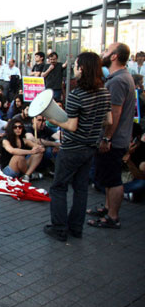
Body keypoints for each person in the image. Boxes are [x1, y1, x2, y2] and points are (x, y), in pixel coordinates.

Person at [41, 52, 112, 241]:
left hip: (72, 148)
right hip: (90, 147)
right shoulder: (105, 92)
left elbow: (71, 126)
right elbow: (109, 120)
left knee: (58, 187)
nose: (73, 69)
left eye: (75, 66)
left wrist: (53, 118)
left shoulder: (76, 95)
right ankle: (76, 228)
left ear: (82, 69)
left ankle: (59, 228)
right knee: (81, 189)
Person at [87, 43, 135, 230]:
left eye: (107, 51)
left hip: (114, 140)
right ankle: (108, 208)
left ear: (114, 56)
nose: (103, 54)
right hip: (117, 138)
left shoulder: (117, 81)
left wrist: (107, 138)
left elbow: (114, 114)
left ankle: (113, 217)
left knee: (113, 179)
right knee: (108, 177)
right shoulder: (120, 77)